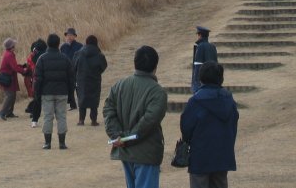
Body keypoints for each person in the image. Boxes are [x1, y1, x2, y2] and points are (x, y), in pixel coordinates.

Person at [103, 45, 168, 188]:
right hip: (146, 152)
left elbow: (108, 111)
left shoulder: (119, 85)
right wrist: (124, 138)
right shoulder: (157, 92)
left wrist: (118, 136)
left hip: (126, 152)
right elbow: (149, 122)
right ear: (155, 66)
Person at [181, 61, 239, 188]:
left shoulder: (195, 101)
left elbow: (186, 128)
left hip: (200, 157)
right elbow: (234, 125)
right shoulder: (229, 100)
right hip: (223, 155)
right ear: (221, 78)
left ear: (201, 78)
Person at [34, 33, 75, 150]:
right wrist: (71, 94)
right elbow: (71, 78)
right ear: (58, 44)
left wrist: (37, 93)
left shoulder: (42, 59)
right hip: (62, 92)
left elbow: (38, 79)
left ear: (48, 43)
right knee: (61, 117)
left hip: (47, 93)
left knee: (48, 117)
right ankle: (62, 143)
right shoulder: (65, 58)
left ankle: (47, 143)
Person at [73, 35, 107, 126]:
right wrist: (98, 72)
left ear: (86, 42)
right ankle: (94, 120)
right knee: (94, 100)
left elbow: (74, 66)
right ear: (96, 43)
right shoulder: (99, 55)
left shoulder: (79, 53)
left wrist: (78, 74)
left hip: (81, 80)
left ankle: (81, 120)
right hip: (95, 79)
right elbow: (104, 66)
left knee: (82, 99)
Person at [0, 37, 27, 120]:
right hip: (7, 78)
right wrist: (24, 71)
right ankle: (2, 113)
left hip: (9, 78)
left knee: (12, 95)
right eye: (14, 45)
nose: (15, 46)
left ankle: (9, 112)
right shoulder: (9, 55)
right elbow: (14, 68)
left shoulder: (8, 53)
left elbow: (14, 66)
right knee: (9, 95)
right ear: (11, 47)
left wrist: (22, 66)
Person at [24, 38, 47, 128]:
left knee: (37, 99)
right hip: (45, 80)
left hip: (35, 80)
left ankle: (34, 119)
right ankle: (31, 110)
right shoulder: (45, 55)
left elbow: (30, 66)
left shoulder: (32, 56)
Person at [60, 27, 82, 110]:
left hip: (78, 70)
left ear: (74, 36)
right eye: (67, 35)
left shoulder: (80, 46)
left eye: (71, 35)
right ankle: (73, 105)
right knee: (70, 88)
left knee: (79, 87)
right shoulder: (63, 47)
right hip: (67, 70)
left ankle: (81, 103)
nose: (69, 37)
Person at [191, 26, 218, 93]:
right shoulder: (213, 47)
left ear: (200, 35)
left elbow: (198, 67)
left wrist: (195, 86)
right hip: (213, 82)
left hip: (202, 84)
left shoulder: (200, 47)